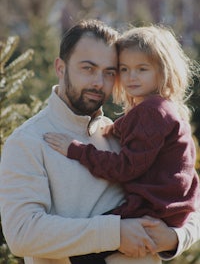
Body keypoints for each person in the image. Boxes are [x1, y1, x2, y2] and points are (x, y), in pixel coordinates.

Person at [0, 20, 199, 264]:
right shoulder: (29, 141)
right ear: (60, 68)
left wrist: (175, 238)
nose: (99, 82)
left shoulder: (123, 134)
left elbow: (187, 192)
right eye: (88, 68)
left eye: (109, 72)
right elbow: (22, 234)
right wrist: (115, 233)